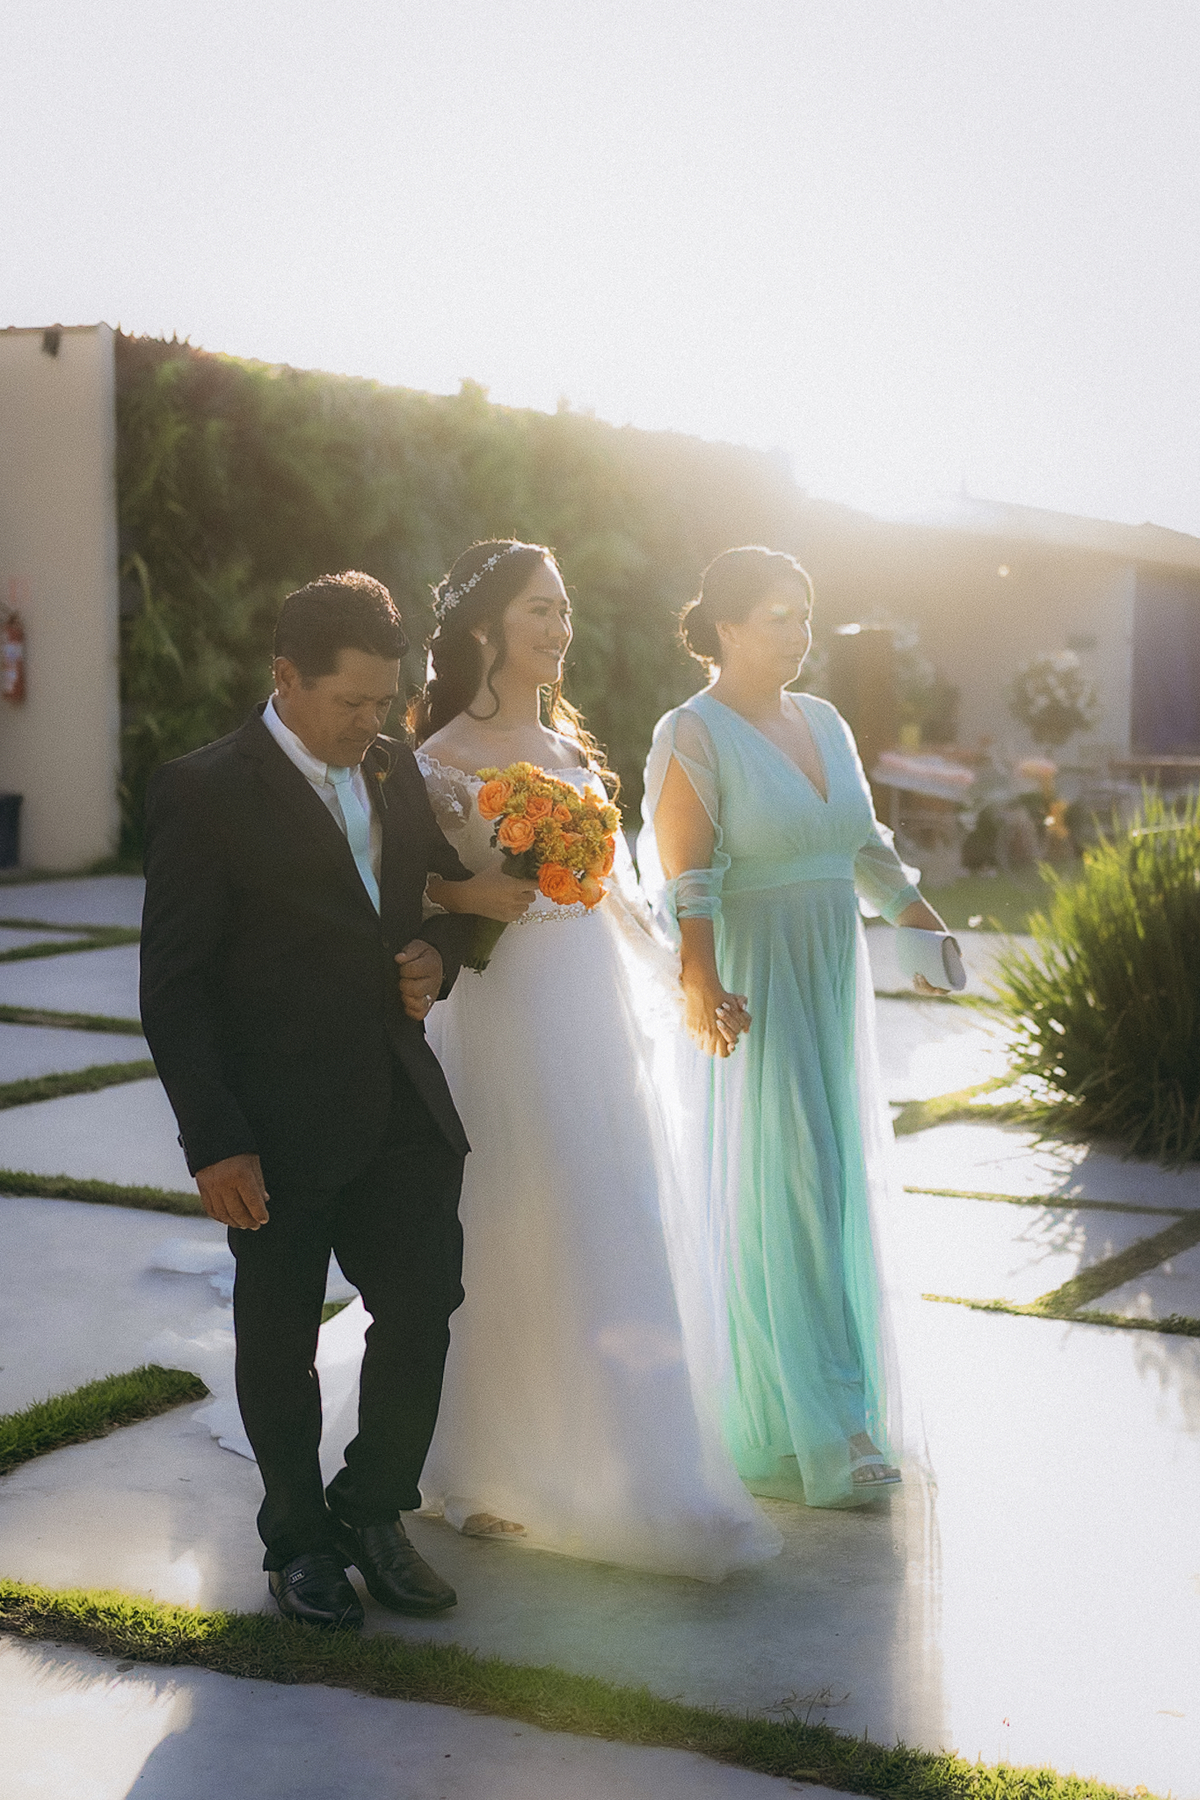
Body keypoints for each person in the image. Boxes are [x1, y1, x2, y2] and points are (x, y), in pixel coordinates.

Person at [389, 538, 779, 1579]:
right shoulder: (434, 757)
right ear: (484, 629)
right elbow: (397, 889)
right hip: (501, 1010)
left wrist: (684, 979)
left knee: (608, 1214)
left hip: (588, 1017)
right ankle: (471, 1469)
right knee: (504, 1217)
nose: (560, 630)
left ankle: (631, 1462)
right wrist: (468, 897)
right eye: (539, 613)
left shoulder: (565, 750)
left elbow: (608, 893)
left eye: (564, 611)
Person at [139, 571, 479, 1630]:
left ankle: (374, 1508)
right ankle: (297, 1540)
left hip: (400, 1104)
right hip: (273, 1132)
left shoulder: (396, 773)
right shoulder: (202, 791)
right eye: (353, 702)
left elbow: (441, 904)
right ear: (286, 678)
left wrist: (438, 952)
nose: (373, 722)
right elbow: (175, 986)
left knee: (423, 1308)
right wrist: (216, 1144)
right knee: (279, 1337)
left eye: (385, 701)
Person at [641, 546, 948, 1508]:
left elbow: (861, 844)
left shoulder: (824, 720)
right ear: (725, 626)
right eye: (777, 614)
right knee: (792, 1188)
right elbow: (689, 875)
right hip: (757, 980)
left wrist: (919, 920)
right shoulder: (690, 730)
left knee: (831, 1186)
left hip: (831, 973)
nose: (798, 632)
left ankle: (805, 1412)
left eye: (805, 613)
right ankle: (834, 1427)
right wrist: (700, 978)